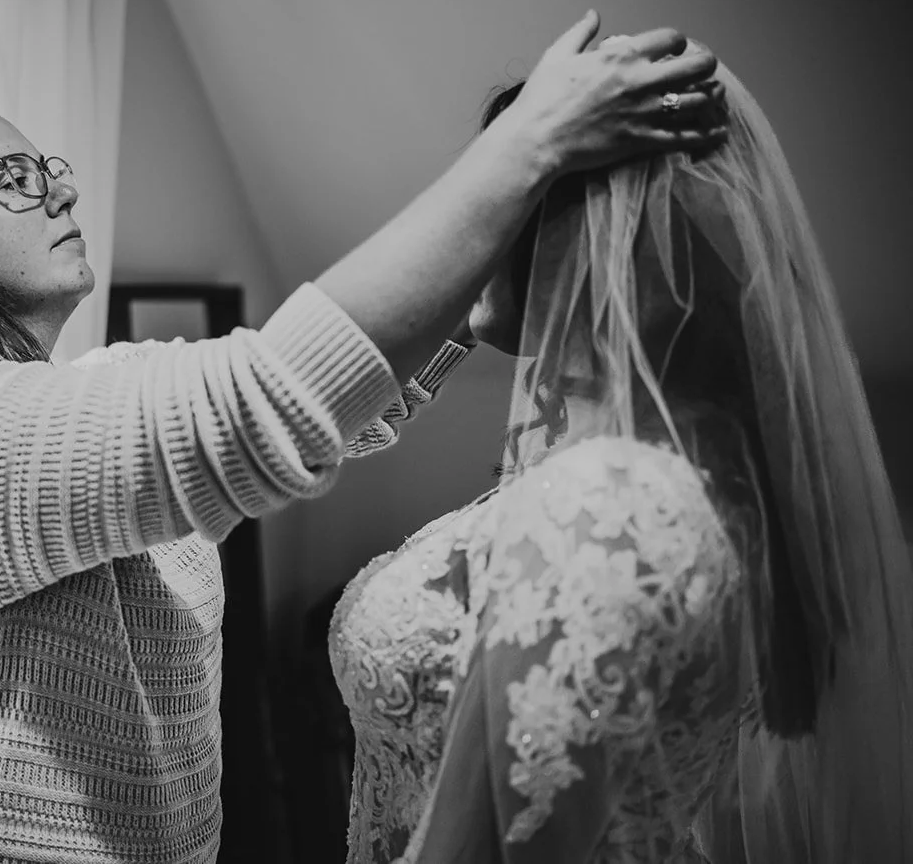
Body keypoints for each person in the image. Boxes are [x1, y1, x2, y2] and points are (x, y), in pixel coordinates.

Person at [0, 12, 725, 864]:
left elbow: (334, 413)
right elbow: (265, 403)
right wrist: (529, 147)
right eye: (12, 181)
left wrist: (484, 307)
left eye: (49, 168)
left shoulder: (86, 395)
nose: (55, 193)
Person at [327, 59, 913, 863]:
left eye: (494, 191)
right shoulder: (676, 471)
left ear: (563, 223)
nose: (466, 220)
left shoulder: (605, 504)